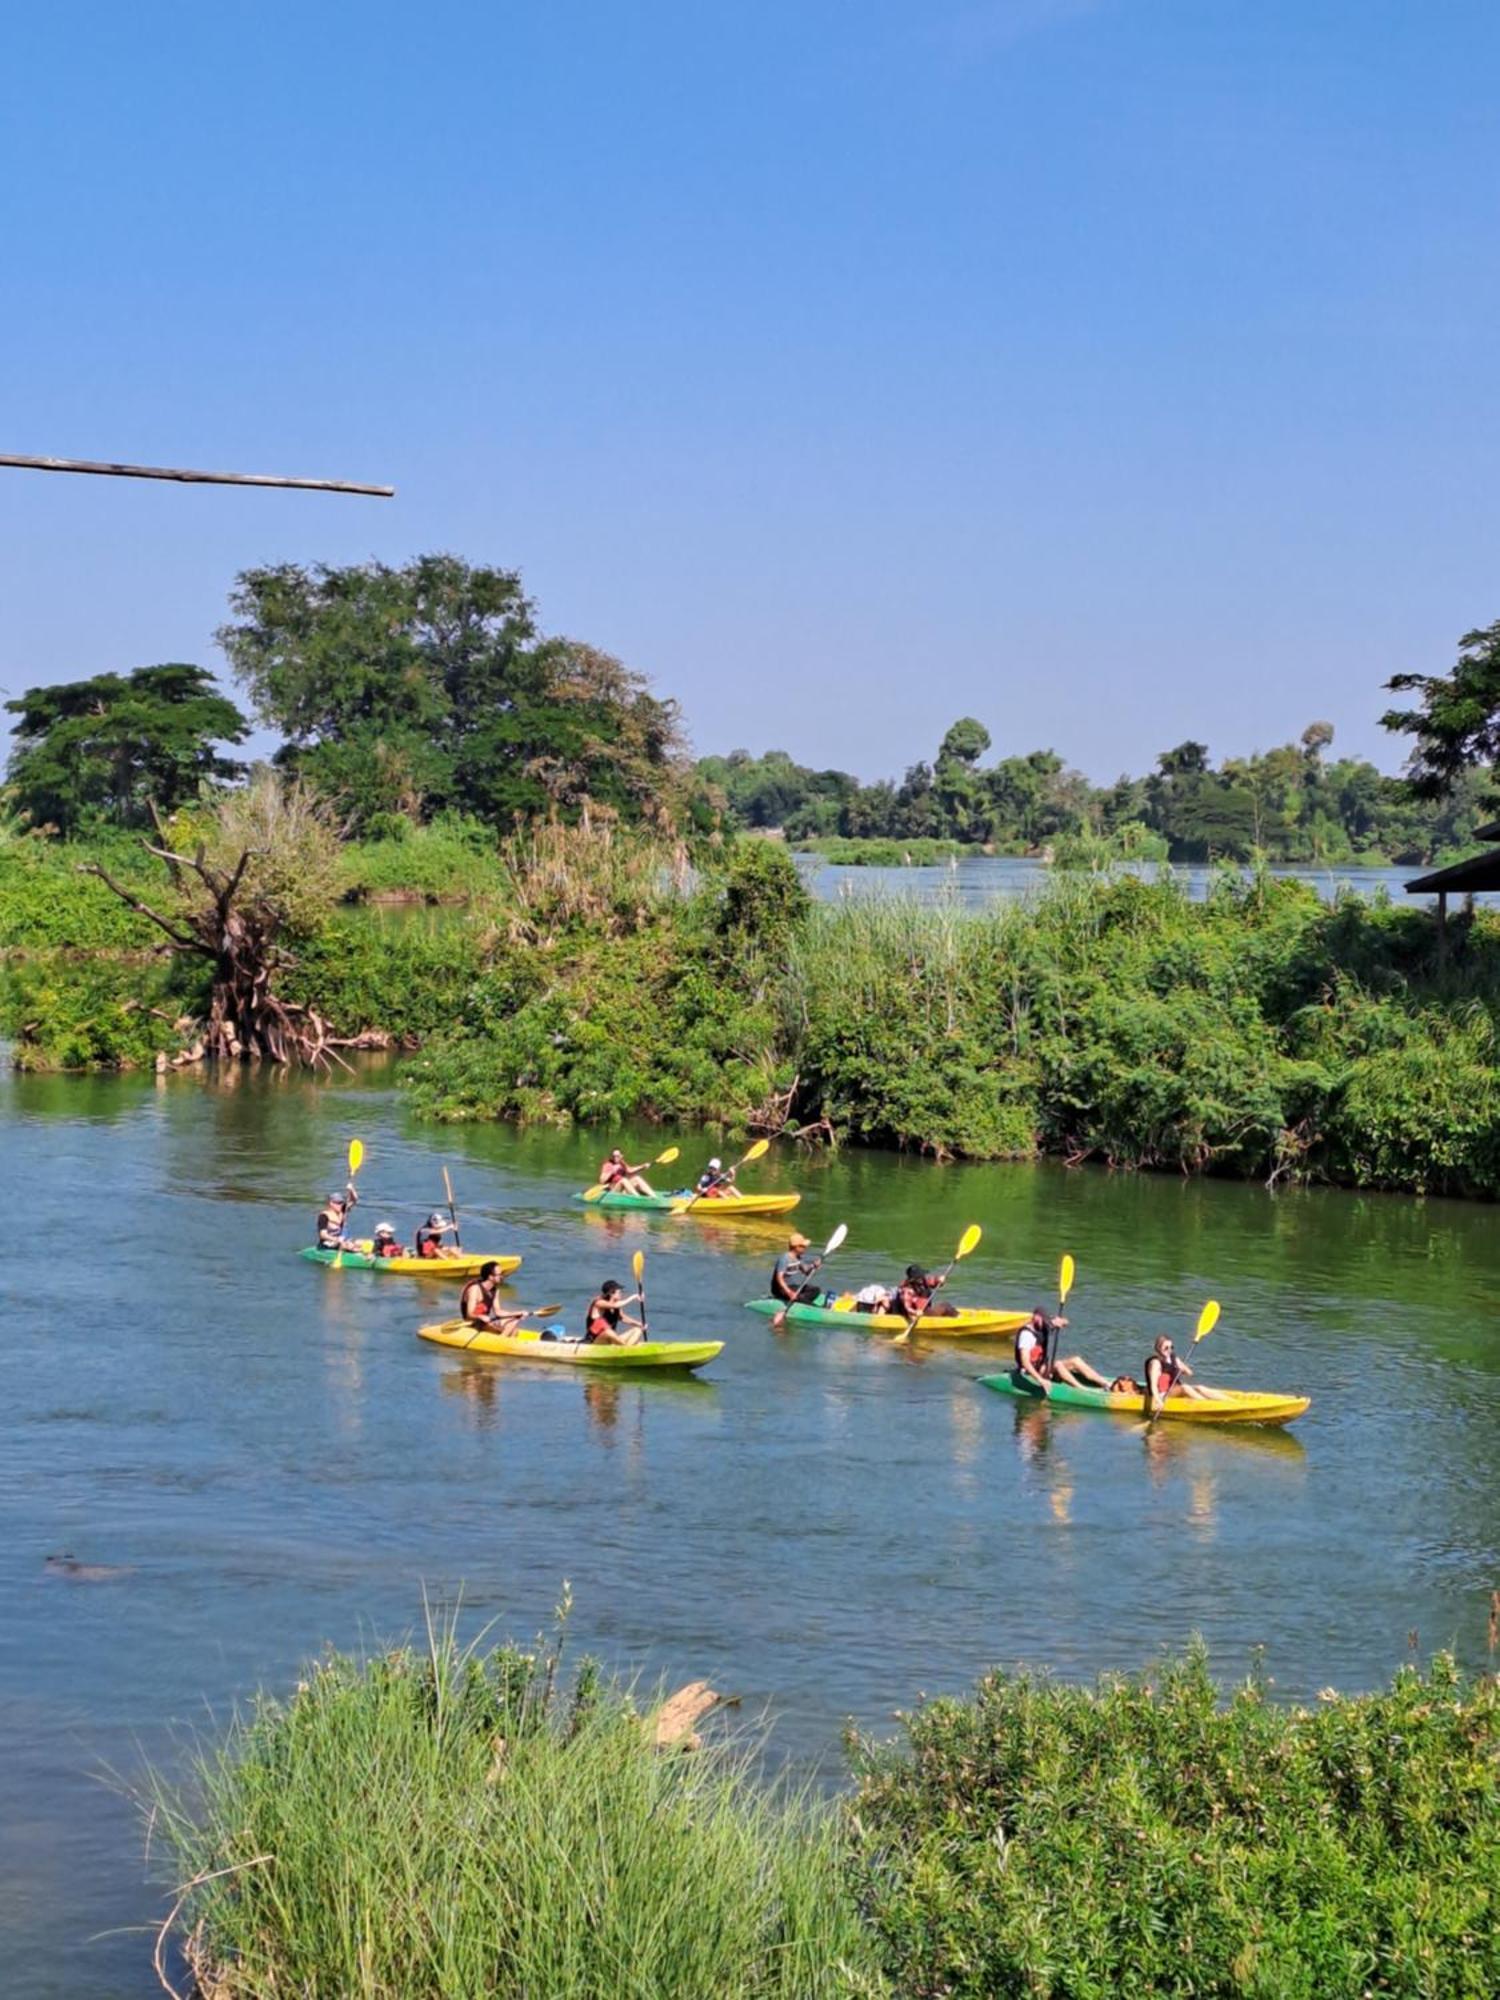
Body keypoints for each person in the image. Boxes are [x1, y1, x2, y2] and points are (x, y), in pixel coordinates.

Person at [1013, 1308, 1112, 1396]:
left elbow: (1065, 1322)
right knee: (1058, 1364)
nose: (1046, 1325)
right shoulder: (1026, 1336)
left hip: (1042, 1367)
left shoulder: (1043, 1325)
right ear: (1035, 1318)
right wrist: (1041, 1380)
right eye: (1043, 1322)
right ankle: (1082, 1389)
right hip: (1029, 1372)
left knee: (1075, 1360)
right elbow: (1025, 1362)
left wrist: (1060, 1322)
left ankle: (1106, 1383)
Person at [1144, 1334, 1213, 1415]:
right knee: (1185, 1387)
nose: (1169, 1350)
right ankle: (1208, 1405)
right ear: (1159, 1348)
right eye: (1166, 1348)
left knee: (1199, 1388)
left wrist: (1184, 1368)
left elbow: (1189, 1373)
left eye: (1171, 1347)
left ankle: (1229, 1401)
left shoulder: (1173, 1358)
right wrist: (1158, 1401)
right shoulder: (1156, 1363)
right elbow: (1153, 1386)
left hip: (1173, 1390)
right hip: (1161, 1394)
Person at [459, 1262, 526, 1334]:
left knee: (514, 1324)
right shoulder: (475, 1289)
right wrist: (481, 1317)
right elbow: (469, 1314)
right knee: (511, 1327)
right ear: (490, 1277)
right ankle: (501, 1341)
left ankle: (504, 1340)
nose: (501, 1277)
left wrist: (516, 1313)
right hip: (473, 1322)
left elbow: (498, 1312)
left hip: (485, 1322)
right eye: (499, 1275)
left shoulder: (495, 1291)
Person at [585, 1279, 645, 1346]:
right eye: (619, 1292)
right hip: (595, 1341)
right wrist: (633, 1297)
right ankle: (627, 1348)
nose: (621, 1294)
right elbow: (615, 1305)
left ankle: (626, 1348)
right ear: (611, 1293)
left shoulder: (617, 1305)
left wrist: (639, 1324)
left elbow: (622, 1318)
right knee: (608, 1332)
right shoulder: (599, 1303)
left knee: (638, 1330)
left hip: (611, 1341)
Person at [892, 1263, 959, 1320]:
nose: (921, 1278)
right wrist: (915, 1312)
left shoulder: (922, 1281)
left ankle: (956, 1317)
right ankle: (957, 1320)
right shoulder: (907, 1291)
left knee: (946, 1304)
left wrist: (939, 1279)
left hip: (924, 1308)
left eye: (921, 1276)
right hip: (918, 1313)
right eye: (918, 1277)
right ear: (912, 1280)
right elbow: (907, 1308)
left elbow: (931, 1281)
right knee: (945, 1307)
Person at [771, 1233, 823, 1306]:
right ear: (796, 1247)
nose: (805, 1248)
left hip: (791, 1286)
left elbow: (807, 1272)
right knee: (801, 1297)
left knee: (816, 1290)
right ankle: (802, 1301)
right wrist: (789, 1292)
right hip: (780, 1289)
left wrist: (814, 1267)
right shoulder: (784, 1259)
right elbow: (779, 1278)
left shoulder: (798, 1258)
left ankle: (800, 1300)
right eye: (803, 1246)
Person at [316, 1185, 358, 1250]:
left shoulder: (343, 1210)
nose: (340, 1205)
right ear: (331, 1203)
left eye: (341, 1202)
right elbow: (323, 1235)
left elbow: (354, 1200)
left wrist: (351, 1189)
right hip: (328, 1242)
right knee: (351, 1247)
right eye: (338, 1203)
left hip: (342, 1239)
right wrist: (336, 1239)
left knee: (361, 1243)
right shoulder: (324, 1216)